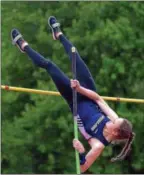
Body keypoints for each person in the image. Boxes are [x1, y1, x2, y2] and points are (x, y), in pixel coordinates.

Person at [11, 16, 135, 173]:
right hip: (87, 91)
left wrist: (82, 152)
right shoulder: (114, 118)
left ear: (115, 132)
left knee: (50, 66)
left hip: (73, 99)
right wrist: (80, 88)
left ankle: (24, 46)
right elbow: (97, 99)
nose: (113, 120)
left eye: (114, 123)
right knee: (76, 56)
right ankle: (59, 35)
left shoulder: (98, 144)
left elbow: (82, 168)